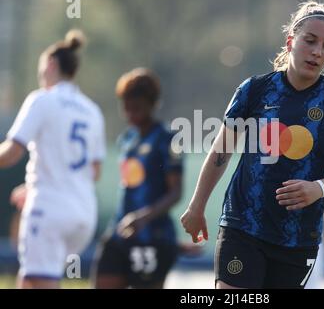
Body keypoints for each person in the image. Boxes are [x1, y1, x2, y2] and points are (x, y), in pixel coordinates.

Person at [181, 0, 324, 289]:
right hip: (243, 226)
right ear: (291, 41)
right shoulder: (254, 89)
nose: (318, 52)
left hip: (298, 238)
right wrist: (197, 206)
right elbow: (221, 152)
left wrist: (318, 188)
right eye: (310, 41)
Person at [0, 30, 106, 289]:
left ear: (50, 65)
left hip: (49, 211)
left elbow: (12, 153)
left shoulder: (42, 100)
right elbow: (94, 172)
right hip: (83, 214)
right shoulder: (92, 110)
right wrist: (36, 185)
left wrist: (45, 187)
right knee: (29, 278)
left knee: (40, 280)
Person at [92, 68, 187, 289]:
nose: (129, 113)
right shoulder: (126, 139)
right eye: (125, 106)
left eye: (136, 107)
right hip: (119, 231)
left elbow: (176, 192)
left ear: (151, 104)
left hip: (153, 236)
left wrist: (142, 218)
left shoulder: (168, 139)